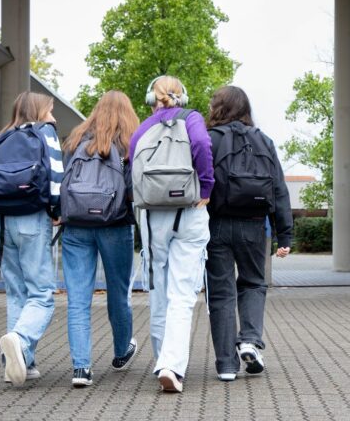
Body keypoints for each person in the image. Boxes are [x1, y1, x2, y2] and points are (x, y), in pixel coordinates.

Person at [130, 76, 213, 393]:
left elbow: (132, 164)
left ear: (152, 97)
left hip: (153, 215)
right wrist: (205, 187)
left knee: (158, 289)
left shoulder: (144, 127)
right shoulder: (192, 118)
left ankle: (161, 360)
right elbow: (203, 146)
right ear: (183, 95)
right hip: (189, 211)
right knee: (182, 293)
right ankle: (171, 365)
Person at [204, 86, 292, 382]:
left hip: (216, 224)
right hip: (255, 224)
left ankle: (226, 365)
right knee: (254, 283)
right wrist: (285, 235)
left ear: (218, 107)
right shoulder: (264, 140)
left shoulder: (210, 139)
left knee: (221, 293)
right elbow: (278, 188)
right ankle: (250, 341)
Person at [60, 91, 140, 388]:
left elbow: (63, 181)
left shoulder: (75, 140)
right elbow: (132, 186)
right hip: (115, 223)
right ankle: (121, 351)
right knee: (118, 293)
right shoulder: (130, 142)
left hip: (76, 224)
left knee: (78, 299)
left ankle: (81, 369)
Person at [0, 92, 63, 386]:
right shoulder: (45, 133)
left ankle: (19, 365)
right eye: (51, 110)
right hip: (32, 218)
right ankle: (20, 342)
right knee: (42, 294)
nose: (54, 117)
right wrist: (57, 211)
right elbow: (55, 175)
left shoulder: (3, 135)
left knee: (17, 292)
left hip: (1, 220)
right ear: (39, 111)